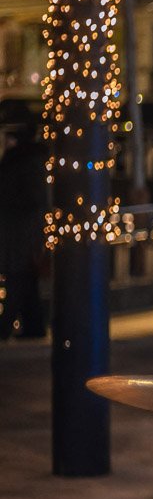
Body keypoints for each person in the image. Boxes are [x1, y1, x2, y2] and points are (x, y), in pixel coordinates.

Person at [0, 119, 49, 340]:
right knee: (26, 281)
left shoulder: (20, 162)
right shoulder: (32, 160)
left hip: (20, 231)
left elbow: (28, 197)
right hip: (26, 230)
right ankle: (34, 326)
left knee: (17, 277)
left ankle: (6, 327)